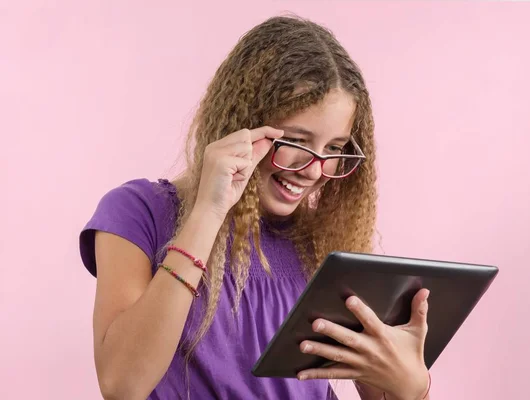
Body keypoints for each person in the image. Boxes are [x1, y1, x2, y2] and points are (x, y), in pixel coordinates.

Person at [79, 15, 431, 400]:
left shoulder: (322, 244)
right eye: (297, 141)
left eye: (333, 148)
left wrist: (412, 388)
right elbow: (122, 385)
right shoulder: (138, 213)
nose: (314, 170)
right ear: (243, 126)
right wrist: (208, 213)